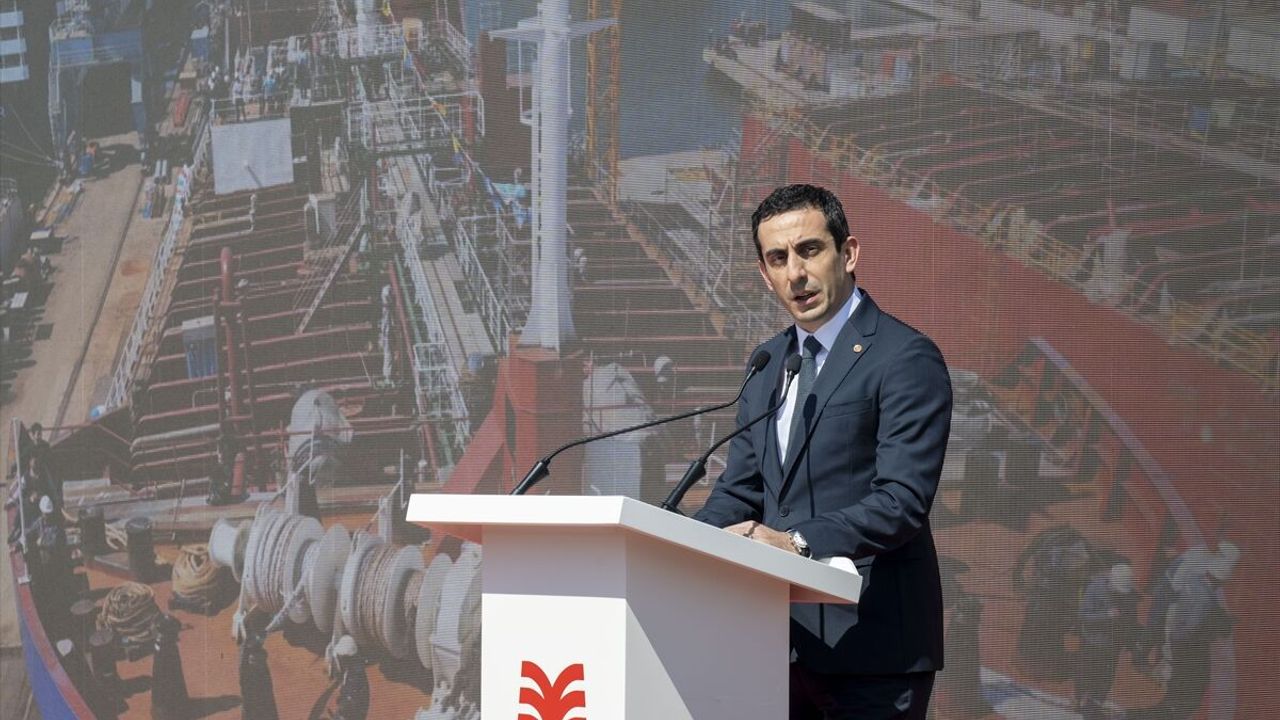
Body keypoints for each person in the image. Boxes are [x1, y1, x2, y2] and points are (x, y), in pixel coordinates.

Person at [694, 184, 952, 719]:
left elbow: (902, 501)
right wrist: (678, 542)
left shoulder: (904, 357)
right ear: (764, 274)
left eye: (809, 250)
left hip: (873, 651)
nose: (796, 273)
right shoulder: (769, 363)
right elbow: (740, 490)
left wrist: (796, 542)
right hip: (777, 645)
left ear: (848, 253)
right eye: (778, 258)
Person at [1075, 563, 1140, 719]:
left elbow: (1132, 619)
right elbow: (1083, 616)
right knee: (1086, 673)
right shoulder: (1095, 589)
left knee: (1106, 676)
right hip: (1092, 641)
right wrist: (1106, 615)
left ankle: (1095, 705)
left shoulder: (1130, 594)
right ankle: (1080, 700)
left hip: (1113, 644)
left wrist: (1130, 641)